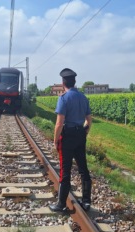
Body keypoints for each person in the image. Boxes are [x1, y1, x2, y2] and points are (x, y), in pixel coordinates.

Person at [49, 68, 93, 212]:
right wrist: (84, 131)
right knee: (83, 169)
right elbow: (89, 120)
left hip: (67, 136)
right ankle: (86, 202)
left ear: (63, 83)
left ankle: (61, 204)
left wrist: (55, 140)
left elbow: (59, 123)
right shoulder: (83, 98)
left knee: (65, 170)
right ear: (74, 82)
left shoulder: (63, 98)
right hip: (80, 134)